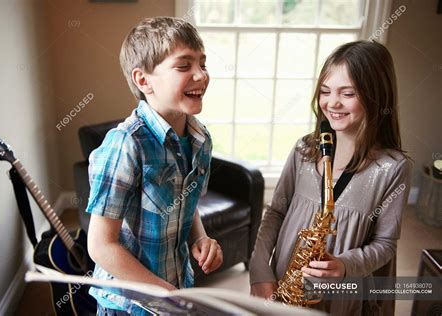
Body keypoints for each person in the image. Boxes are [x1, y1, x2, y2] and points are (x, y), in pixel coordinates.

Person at [249, 40, 412, 315]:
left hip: (341, 294)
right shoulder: (304, 150)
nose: (332, 103)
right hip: (283, 282)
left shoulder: (393, 168)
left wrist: (345, 265)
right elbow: (276, 212)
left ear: (377, 96)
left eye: (347, 93)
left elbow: (385, 245)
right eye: (325, 91)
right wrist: (259, 269)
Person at [86, 16, 223, 315]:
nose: (200, 75)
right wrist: (164, 293)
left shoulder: (201, 138)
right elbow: (101, 246)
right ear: (143, 80)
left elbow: (186, 201)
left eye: (203, 63)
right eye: (184, 66)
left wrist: (199, 237)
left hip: (177, 286)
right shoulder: (126, 144)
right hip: (128, 303)